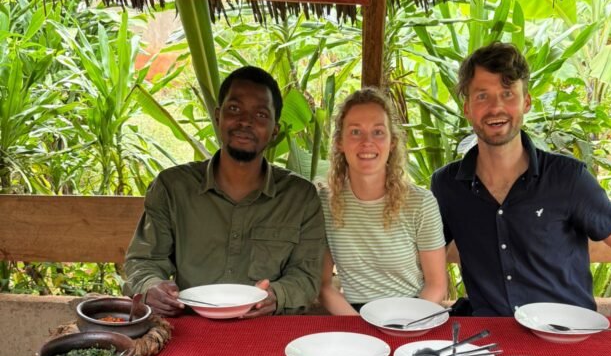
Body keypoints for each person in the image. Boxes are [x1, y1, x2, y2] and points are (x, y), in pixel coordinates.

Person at [431, 42, 611, 320]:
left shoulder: (568, 178)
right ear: (467, 108)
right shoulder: (447, 186)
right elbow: (425, 257)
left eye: (508, 94)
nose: (496, 108)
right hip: (490, 339)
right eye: (482, 96)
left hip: (568, 336)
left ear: (526, 102)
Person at [124, 66, 325, 318]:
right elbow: (144, 261)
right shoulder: (173, 188)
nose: (245, 121)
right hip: (189, 327)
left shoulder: (299, 197)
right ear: (218, 116)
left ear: (275, 129)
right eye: (234, 109)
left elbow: (306, 276)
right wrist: (151, 287)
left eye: (261, 114)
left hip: (267, 330)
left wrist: (277, 295)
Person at [318, 87, 446, 314]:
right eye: (355, 132)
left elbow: (436, 286)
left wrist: (403, 324)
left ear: (392, 141)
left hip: (413, 313)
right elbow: (324, 285)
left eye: (378, 132)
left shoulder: (420, 203)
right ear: (339, 142)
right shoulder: (325, 203)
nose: (367, 142)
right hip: (353, 316)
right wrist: (360, 328)